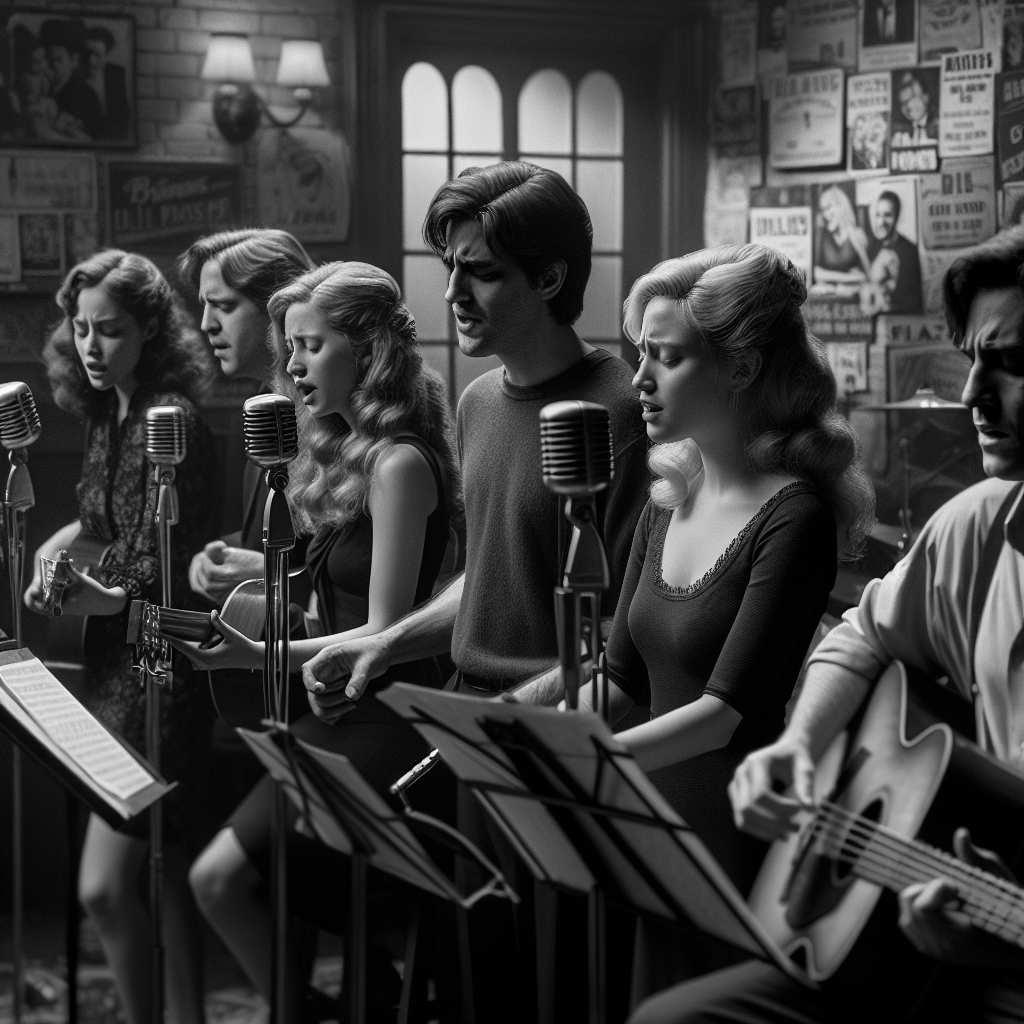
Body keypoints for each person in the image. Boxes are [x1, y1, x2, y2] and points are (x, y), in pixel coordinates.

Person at [628, 226, 1024, 1024]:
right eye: (971, 360)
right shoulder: (978, 525)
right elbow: (860, 637)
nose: (972, 394)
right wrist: (800, 746)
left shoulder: (791, 514)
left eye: (1012, 362)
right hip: (925, 935)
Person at [301, 162, 651, 1023]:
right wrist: (386, 642)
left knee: (558, 993)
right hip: (470, 728)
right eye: (449, 266)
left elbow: (627, 631)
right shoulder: (480, 401)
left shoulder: (623, 411)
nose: (453, 293)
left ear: (551, 278)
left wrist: (511, 719)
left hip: (562, 743)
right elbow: (492, 576)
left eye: (482, 271)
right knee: (472, 987)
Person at [567, 245, 873, 999]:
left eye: (666, 357)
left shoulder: (793, 515)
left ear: (740, 368)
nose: (638, 379)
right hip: (647, 819)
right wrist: (539, 739)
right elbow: (620, 678)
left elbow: (722, 714)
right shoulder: (667, 499)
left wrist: (586, 763)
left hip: (730, 834)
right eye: (641, 353)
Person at [173, 261, 462, 1023]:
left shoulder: (399, 462)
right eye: (290, 348)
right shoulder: (336, 454)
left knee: (228, 877)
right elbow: (320, 592)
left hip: (393, 713)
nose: (294, 365)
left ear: (367, 352)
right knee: (219, 881)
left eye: (312, 345)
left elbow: (382, 630)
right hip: (333, 703)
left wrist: (255, 655)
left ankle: (387, 981)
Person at [23, 250, 218, 1024]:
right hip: (112, 659)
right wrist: (51, 555)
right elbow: (98, 522)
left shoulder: (173, 419)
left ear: (150, 332)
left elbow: (157, 561)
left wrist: (94, 593)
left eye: (110, 330)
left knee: (105, 887)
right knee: (162, 872)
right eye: (81, 329)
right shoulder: (110, 413)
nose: (91, 346)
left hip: (160, 663)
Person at [176, 229, 314, 610]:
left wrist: (270, 570)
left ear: (278, 308)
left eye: (223, 305)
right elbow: (264, 540)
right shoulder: (261, 405)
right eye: (205, 306)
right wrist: (216, 557)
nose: (206, 324)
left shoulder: (325, 410)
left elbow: (351, 571)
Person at [38, 18, 102, 140]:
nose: (49, 66)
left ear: (73, 60)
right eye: (46, 59)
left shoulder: (85, 96)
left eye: (57, 60)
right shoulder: (44, 88)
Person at [865, 189, 922, 314]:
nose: (881, 222)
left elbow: (915, 301)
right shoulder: (870, 248)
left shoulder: (910, 250)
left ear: (897, 216)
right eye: (878, 215)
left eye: (887, 215)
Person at [813, 185, 871, 286]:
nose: (825, 215)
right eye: (823, 210)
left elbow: (868, 275)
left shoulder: (857, 233)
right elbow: (816, 273)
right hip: (828, 293)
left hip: (854, 294)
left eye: (828, 207)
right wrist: (849, 277)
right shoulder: (822, 235)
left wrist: (828, 276)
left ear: (841, 206)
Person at [84, 25, 129, 140]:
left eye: (97, 55)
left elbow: (122, 120)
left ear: (106, 56)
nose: (91, 60)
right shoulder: (73, 75)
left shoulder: (117, 76)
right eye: (87, 53)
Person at [891, 72, 937, 149]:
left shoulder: (937, 125)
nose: (909, 106)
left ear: (926, 97)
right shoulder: (900, 135)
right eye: (903, 103)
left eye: (913, 98)